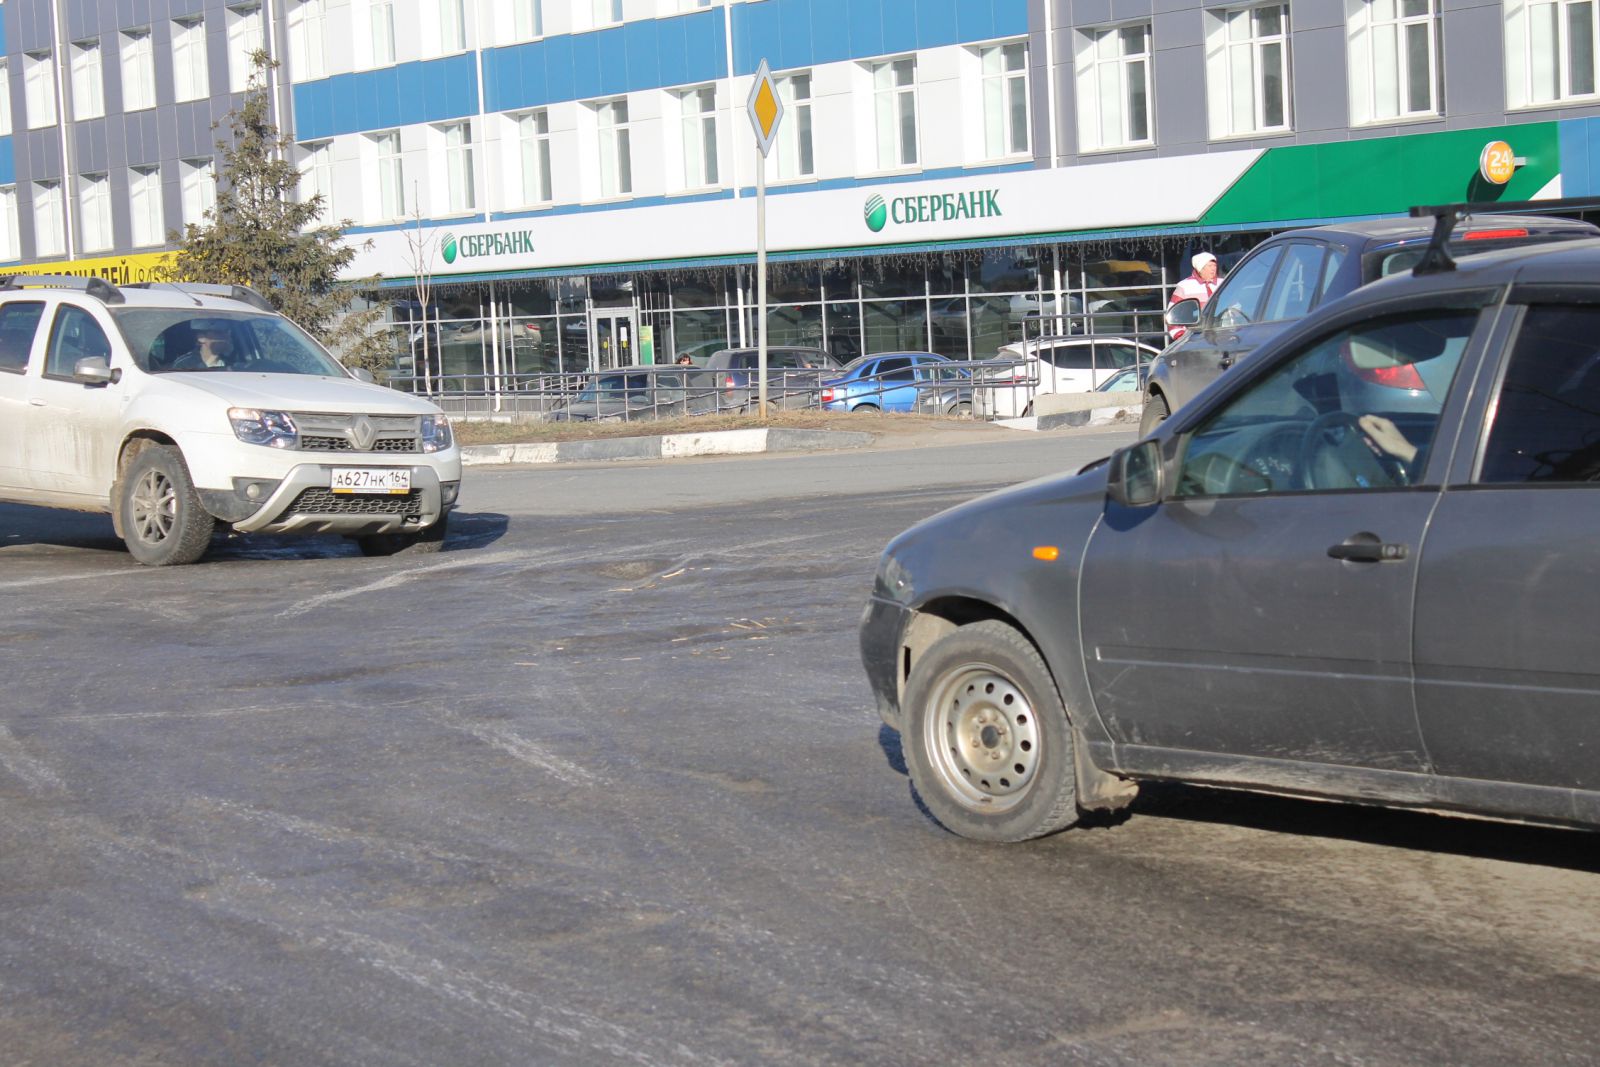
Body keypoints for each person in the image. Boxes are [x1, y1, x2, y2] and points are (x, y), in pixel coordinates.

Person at [1167, 252, 1221, 342]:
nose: (1213, 269)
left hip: (1221, 335)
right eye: (1209, 266)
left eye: (1214, 265)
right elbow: (1173, 313)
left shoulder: (1223, 283)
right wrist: (1180, 336)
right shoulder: (1185, 286)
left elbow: (1235, 307)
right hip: (1195, 337)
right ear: (1200, 268)